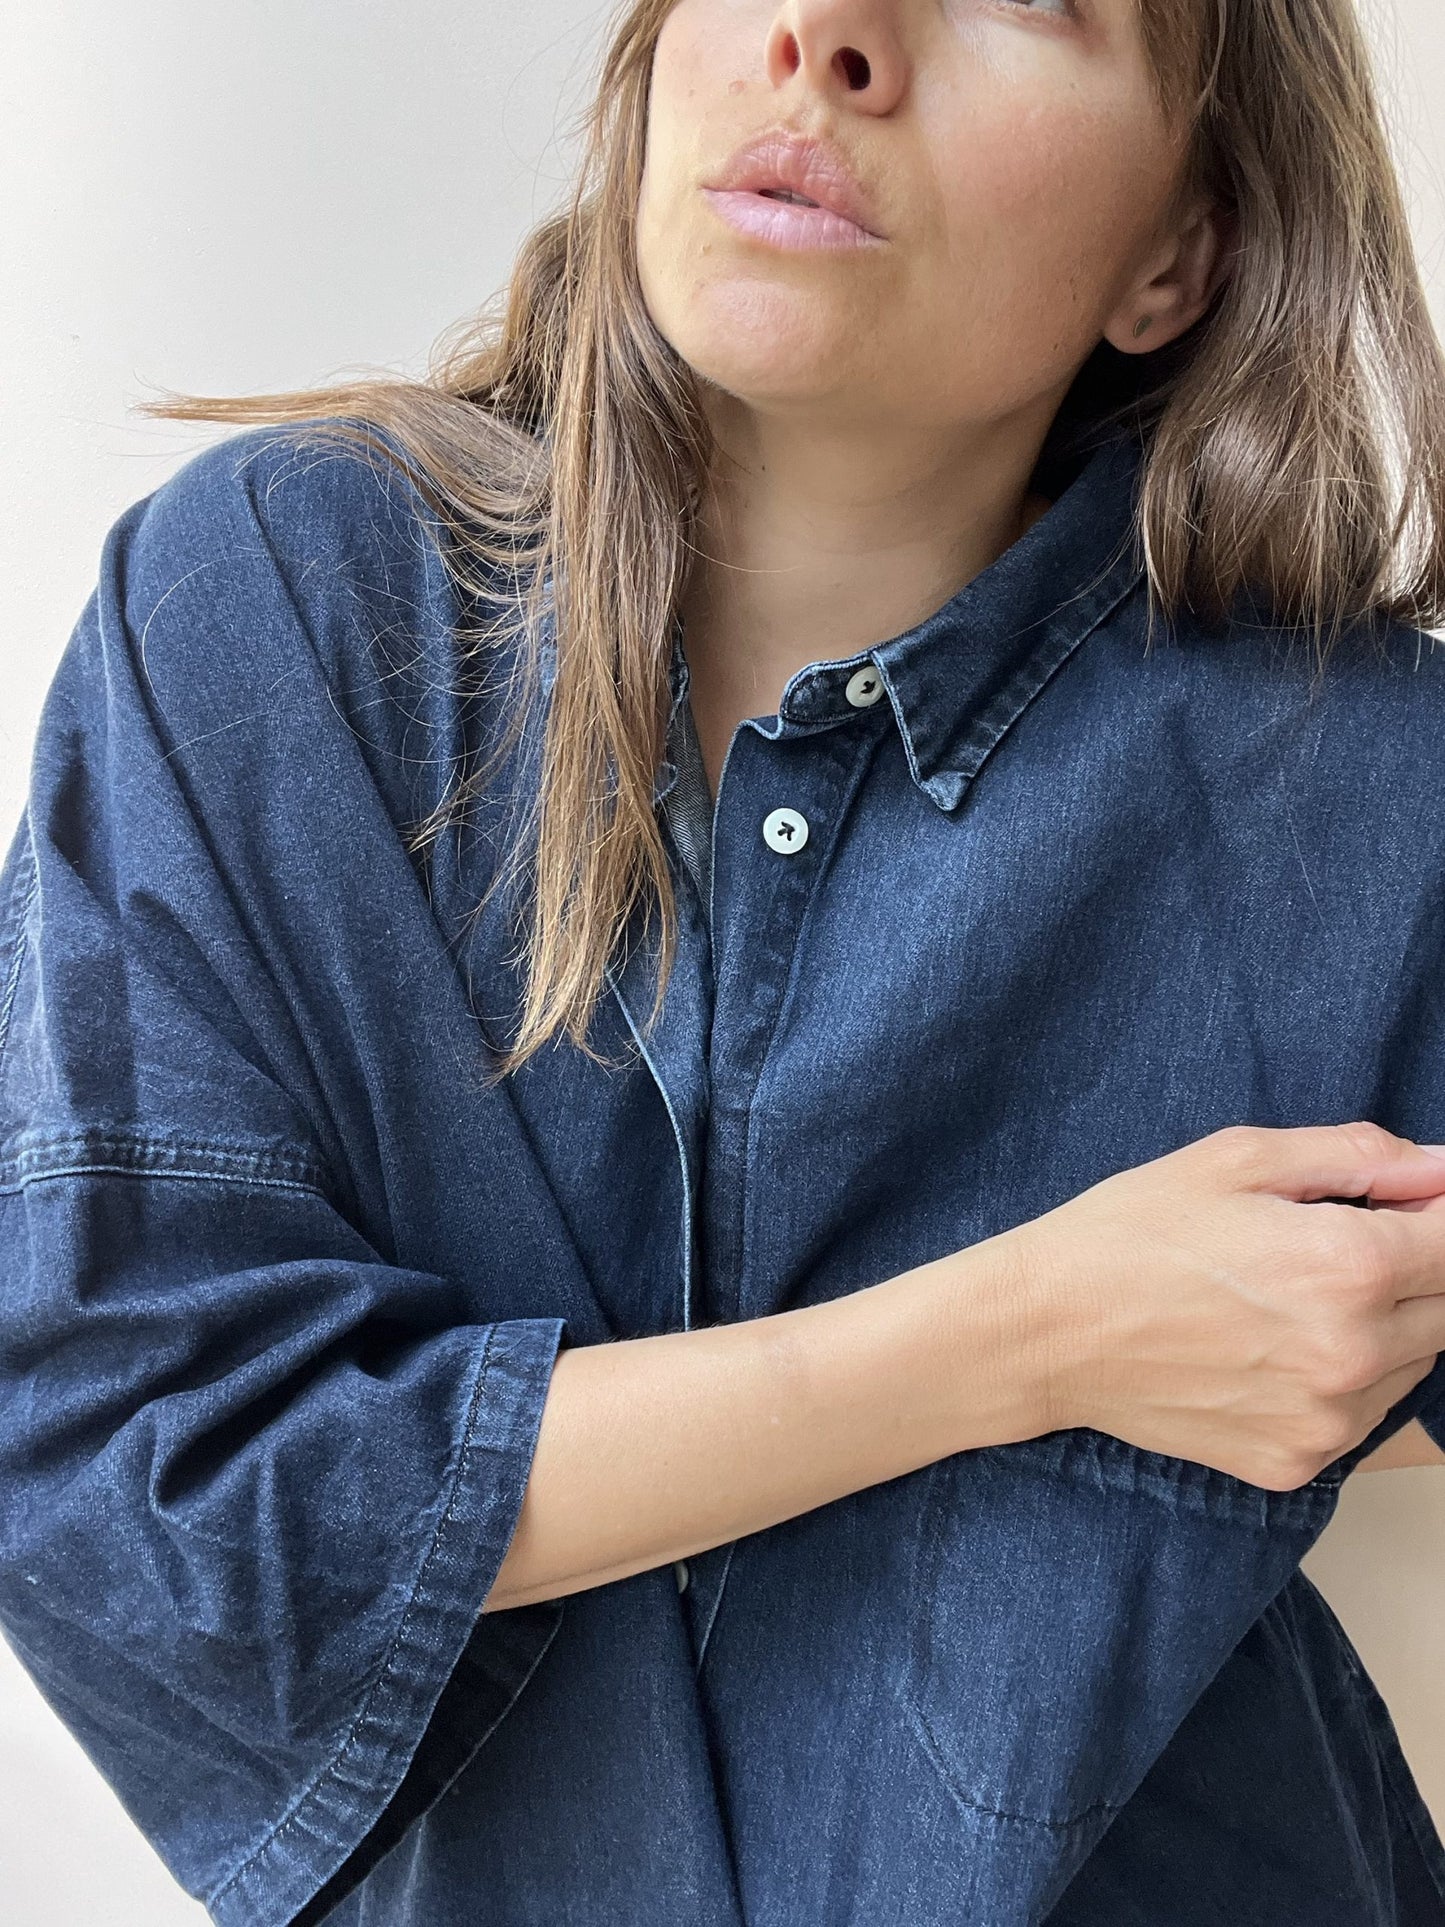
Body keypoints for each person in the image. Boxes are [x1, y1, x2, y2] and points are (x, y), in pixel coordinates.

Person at [3, 0, 1445, 1922]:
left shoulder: (1366, 778)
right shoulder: (265, 615)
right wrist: (1034, 1332)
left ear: (1176, 255)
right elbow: (147, 1496)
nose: (828, 34)